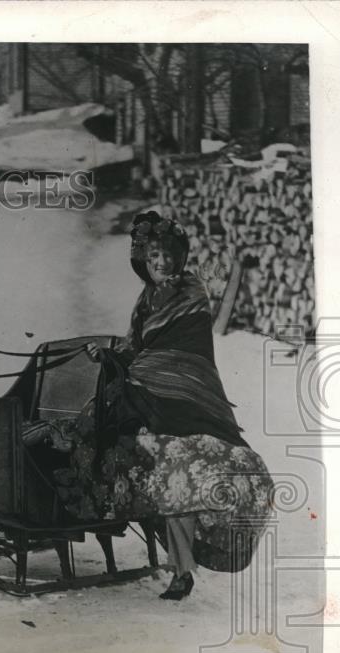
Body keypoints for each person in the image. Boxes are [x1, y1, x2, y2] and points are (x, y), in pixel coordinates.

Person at [82, 210, 248, 601]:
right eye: (153, 257)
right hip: (149, 398)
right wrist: (106, 354)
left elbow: (181, 354)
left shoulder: (192, 292)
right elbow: (134, 347)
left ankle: (182, 571)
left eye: (168, 255)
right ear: (143, 262)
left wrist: (146, 368)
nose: (162, 263)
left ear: (179, 256)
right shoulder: (146, 300)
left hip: (188, 404)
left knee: (178, 476)